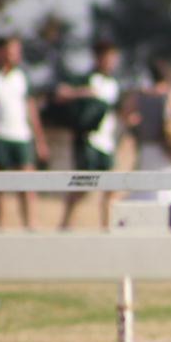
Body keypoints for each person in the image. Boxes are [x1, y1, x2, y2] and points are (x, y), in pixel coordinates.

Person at [0, 35, 49, 229]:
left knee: (27, 182)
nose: (15, 55)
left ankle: (30, 224)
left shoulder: (22, 77)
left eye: (17, 51)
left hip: (22, 136)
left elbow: (31, 110)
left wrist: (40, 141)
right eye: (11, 50)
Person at [58, 40, 122, 229]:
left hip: (107, 142)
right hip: (88, 141)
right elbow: (62, 92)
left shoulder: (114, 84)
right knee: (83, 186)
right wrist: (84, 92)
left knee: (111, 187)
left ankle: (107, 227)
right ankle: (66, 224)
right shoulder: (87, 79)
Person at [124, 59, 171, 206]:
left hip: (147, 149)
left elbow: (126, 116)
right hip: (168, 148)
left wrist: (137, 129)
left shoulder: (140, 96)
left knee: (146, 189)